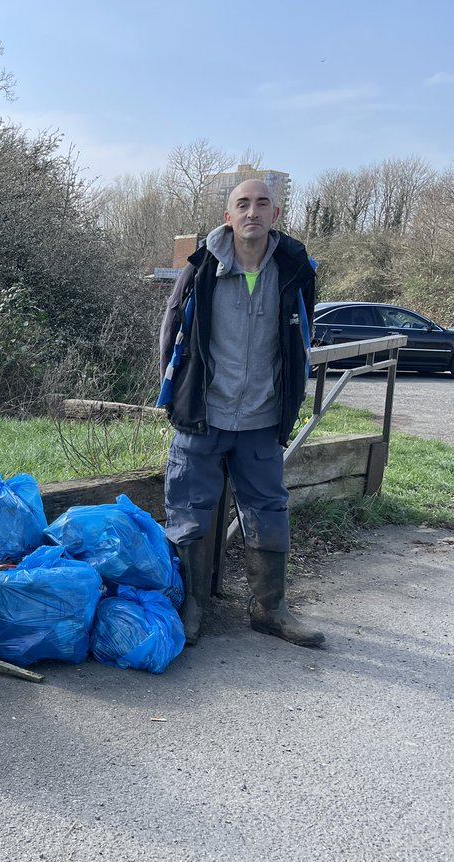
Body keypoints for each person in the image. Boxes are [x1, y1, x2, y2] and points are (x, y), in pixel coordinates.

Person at [158, 179, 324, 648]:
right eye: (242, 204)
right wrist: (175, 397)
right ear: (229, 216)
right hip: (203, 416)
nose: (252, 212)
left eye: (262, 204)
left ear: (276, 214)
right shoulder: (202, 268)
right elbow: (172, 331)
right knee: (187, 512)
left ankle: (270, 609)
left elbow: (300, 340)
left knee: (269, 510)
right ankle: (190, 606)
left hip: (262, 417)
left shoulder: (295, 270)